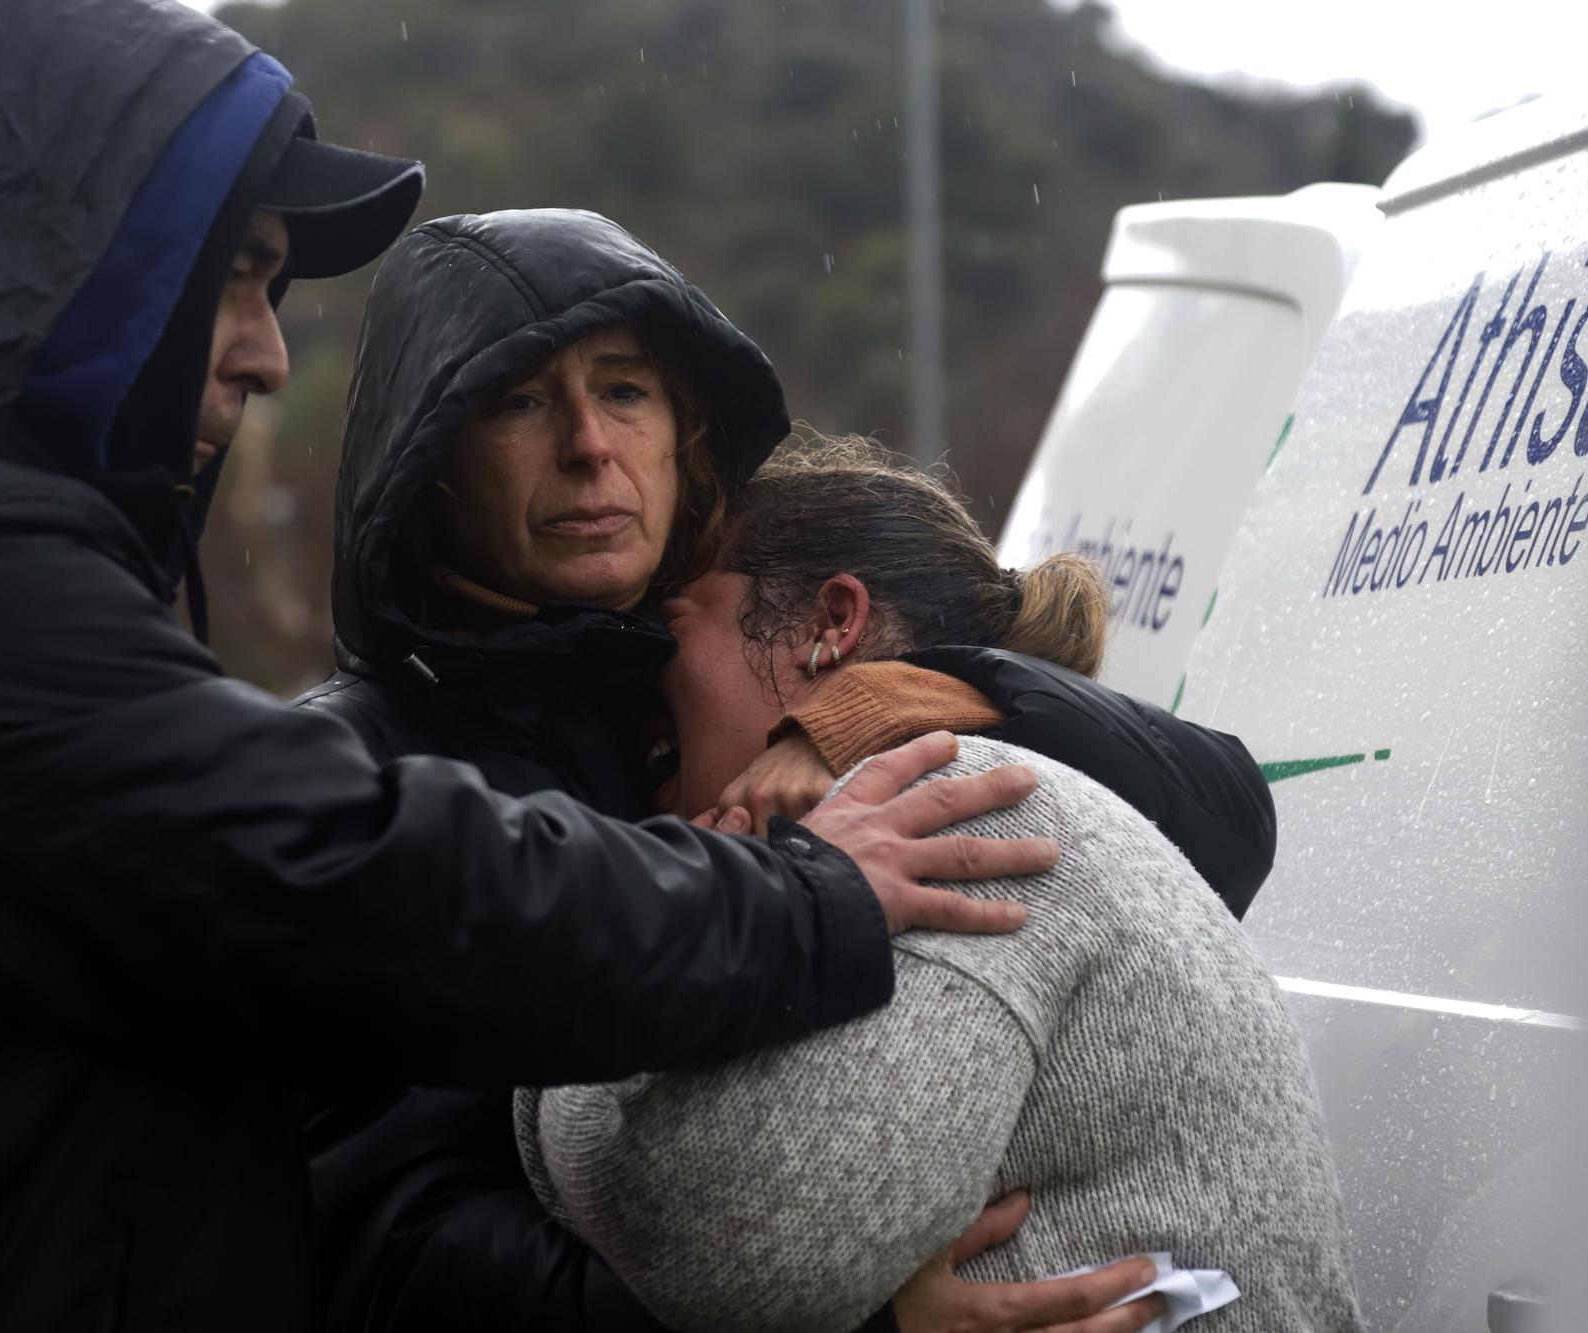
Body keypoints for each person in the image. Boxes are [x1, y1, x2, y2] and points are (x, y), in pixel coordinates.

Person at [0, 5, 1062, 1330]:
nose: (266, 349)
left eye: (631, 392)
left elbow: (1201, 787)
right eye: (236, 271)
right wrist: (806, 905)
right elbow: (372, 887)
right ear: (58, 252)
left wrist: (873, 706)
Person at [299, 209, 1277, 1331]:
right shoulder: (349, 770)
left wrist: (886, 703)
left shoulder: (731, 700)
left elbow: (1219, 816)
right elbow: (385, 1253)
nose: (585, 444)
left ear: (679, 433)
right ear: (429, 463)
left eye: (624, 391)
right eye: (519, 399)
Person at [516, 437, 1363, 1333]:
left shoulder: (965, 809)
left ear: (830, 624)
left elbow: (727, 1254)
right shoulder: (945, 803)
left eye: (673, 622)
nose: (635, 684)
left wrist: (602, 956)